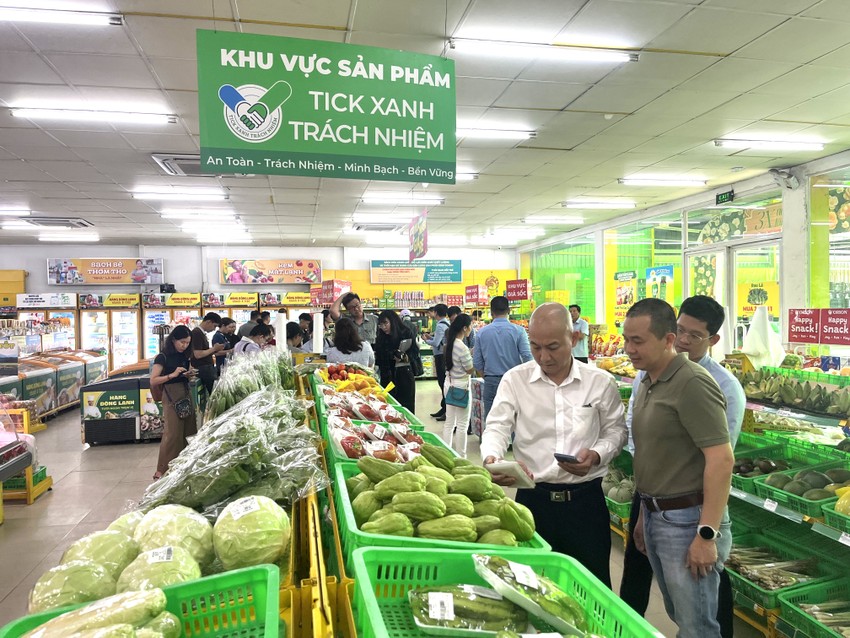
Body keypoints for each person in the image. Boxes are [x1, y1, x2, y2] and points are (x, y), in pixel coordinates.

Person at [620, 296, 743, 637]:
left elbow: (722, 459)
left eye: (638, 341)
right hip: (657, 514)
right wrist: (644, 514)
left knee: (697, 625)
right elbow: (653, 454)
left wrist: (706, 534)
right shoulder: (648, 380)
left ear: (668, 340)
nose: (629, 349)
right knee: (681, 614)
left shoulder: (692, 382)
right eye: (626, 339)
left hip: (687, 520)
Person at [481, 303, 627, 587]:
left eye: (553, 347)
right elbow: (497, 426)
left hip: (586, 504)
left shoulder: (599, 382)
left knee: (591, 585)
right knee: (531, 586)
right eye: (535, 347)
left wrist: (597, 454)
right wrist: (492, 458)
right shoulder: (516, 380)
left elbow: (616, 431)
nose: (543, 357)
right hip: (532, 502)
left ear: (574, 338)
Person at [473, 296, 532, 420]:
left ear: (491, 312)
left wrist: (486, 375)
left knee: (492, 419)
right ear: (509, 310)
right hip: (514, 380)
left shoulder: (481, 333)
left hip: (491, 380)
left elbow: (477, 362)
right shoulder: (519, 331)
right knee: (514, 418)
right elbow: (527, 356)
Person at [150, 325, 198, 480]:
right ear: (173, 340)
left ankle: (184, 464)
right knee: (173, 433)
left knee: (188, 429)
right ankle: (162, 470)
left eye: (187, 343)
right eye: (182, 342)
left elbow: (184, 374)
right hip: (170, 394)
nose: (184, 345)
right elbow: (153, 380)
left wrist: (188, 374)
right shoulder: (162, 357)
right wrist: (172, 375)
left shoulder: (185, 355)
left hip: (185, 392)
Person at [374, 309, 420, 413]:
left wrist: (405, 357)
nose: (384, 327)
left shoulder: (406, 332)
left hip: (404, 374)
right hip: (387, 376)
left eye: (385, 323)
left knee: (406, 406)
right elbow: (379, 356)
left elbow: (415, 351)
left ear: (393, 321)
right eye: (381, 325)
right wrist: (391, 355)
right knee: (389, 407)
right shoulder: (381, 337)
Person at [443, 313, 474, 457]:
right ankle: (461, 456)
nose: (471, 329)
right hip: (461, 386)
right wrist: (472, 357)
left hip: (449, 383)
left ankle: (445, 453)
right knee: (462, 424)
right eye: (471, 326)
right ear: (464, 328)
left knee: (449, 422)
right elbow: (469, 369)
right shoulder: (462, 347)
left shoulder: (449, 344)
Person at [424, 304, 451, 421]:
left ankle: (446, 409)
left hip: (440, 356)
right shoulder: (446, 323)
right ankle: (444, 408)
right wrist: (431, 338)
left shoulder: (440, 325)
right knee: (444, 383)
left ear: (436, 312)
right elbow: (439, 340)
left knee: (442, 382)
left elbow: (436, 343)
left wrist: (426, 340)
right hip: (444, 355)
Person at [190, 312, 225, 395]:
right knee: (215, 394)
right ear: (208, 322)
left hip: (207, 368)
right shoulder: (196, 333)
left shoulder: (201, 333)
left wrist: (214, 350)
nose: (214, 329)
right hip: (203, 369)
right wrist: (214, 348)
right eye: (214, 326)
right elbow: (198, 354)